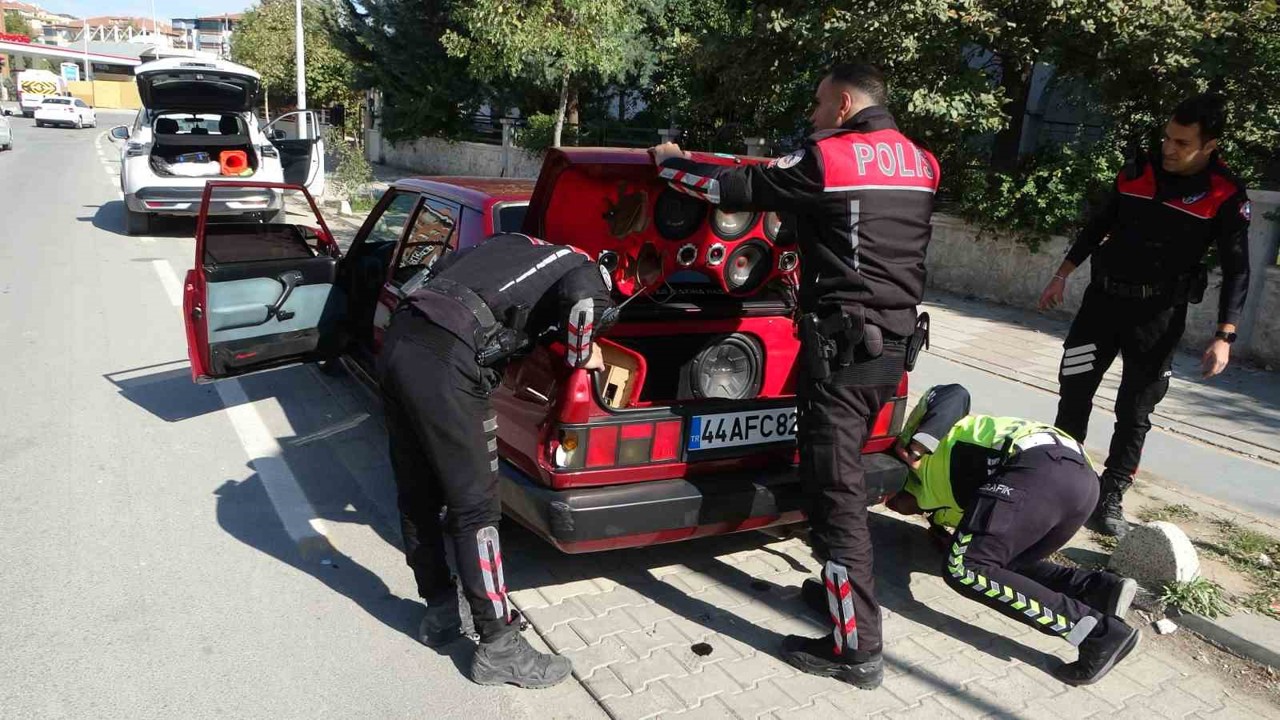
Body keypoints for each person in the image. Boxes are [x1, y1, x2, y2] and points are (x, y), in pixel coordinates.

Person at [650, 62, 939, 689]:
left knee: (835, 499)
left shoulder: (831, 158)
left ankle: (855, 649)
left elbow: (734, 188)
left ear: (841, 103)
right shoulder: (921, 161)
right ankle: (839, 594)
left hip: (842, 354)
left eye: (815, 104)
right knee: (848, 478)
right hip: (891, 352)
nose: (810, 116)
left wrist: (668, 161)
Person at [377, 232, 616, 688]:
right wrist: (585, 352)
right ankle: (499, 646)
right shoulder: (581, 263)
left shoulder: (509, 245)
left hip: (401, 338)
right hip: (447, 360)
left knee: (418, 492)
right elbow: (585, 308)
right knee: (476, 510)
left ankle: (440, 614)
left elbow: (438, 275)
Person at [1038, 93, 1251, 538]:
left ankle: (1110, 494)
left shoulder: (1225, 194)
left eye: (1181, 142)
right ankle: (1060, 481)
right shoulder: (1137, 171)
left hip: (1157, 317)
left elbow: (1237, 269)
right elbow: (1098, 226)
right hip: (1101, 306)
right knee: (1073, 392)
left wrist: (1224, 335)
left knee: (1134, 412)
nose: (1168, 148)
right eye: (1167, 137)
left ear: (1209, 146)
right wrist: (1062, 274)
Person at [879, 384, 1141, 686]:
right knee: (996, 563)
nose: (893, 506)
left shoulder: (916, 436)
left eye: (890, 500)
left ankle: (1096, 633)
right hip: (1078, 482)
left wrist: (920, 442)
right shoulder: (936, 507)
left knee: (964, 568)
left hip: (1034, 466)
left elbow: (954, 392)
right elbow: (971, 534)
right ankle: (1096, 589)